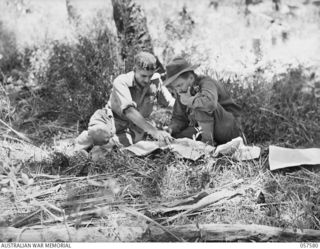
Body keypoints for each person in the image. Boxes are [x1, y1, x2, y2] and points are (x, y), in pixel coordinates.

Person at [75, 51, 175, 150]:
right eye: (143, 76)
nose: (147, 80)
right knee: (99, 135)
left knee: (115, 146)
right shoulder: (121, 81)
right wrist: (155, 132)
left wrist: (188, 106)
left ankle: (98, 149)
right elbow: (129, 111)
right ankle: (80, 144)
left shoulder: (156, 81)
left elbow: (170, 103)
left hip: (134, 127)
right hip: (110, 120)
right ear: (135, 70)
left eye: (150, 76)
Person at [163, 56, 241, 146]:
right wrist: (171, 129)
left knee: (200, 102)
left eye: (180, 85)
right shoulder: (182, 92)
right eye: (175, 87)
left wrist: (189, 101)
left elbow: (210, 104)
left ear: (191, 78)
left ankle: (208, 144)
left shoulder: (206, 82)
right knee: (175, 137)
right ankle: (208, 142)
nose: (178, 90)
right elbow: (179, 119)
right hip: (205, 129)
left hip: (229, 128)